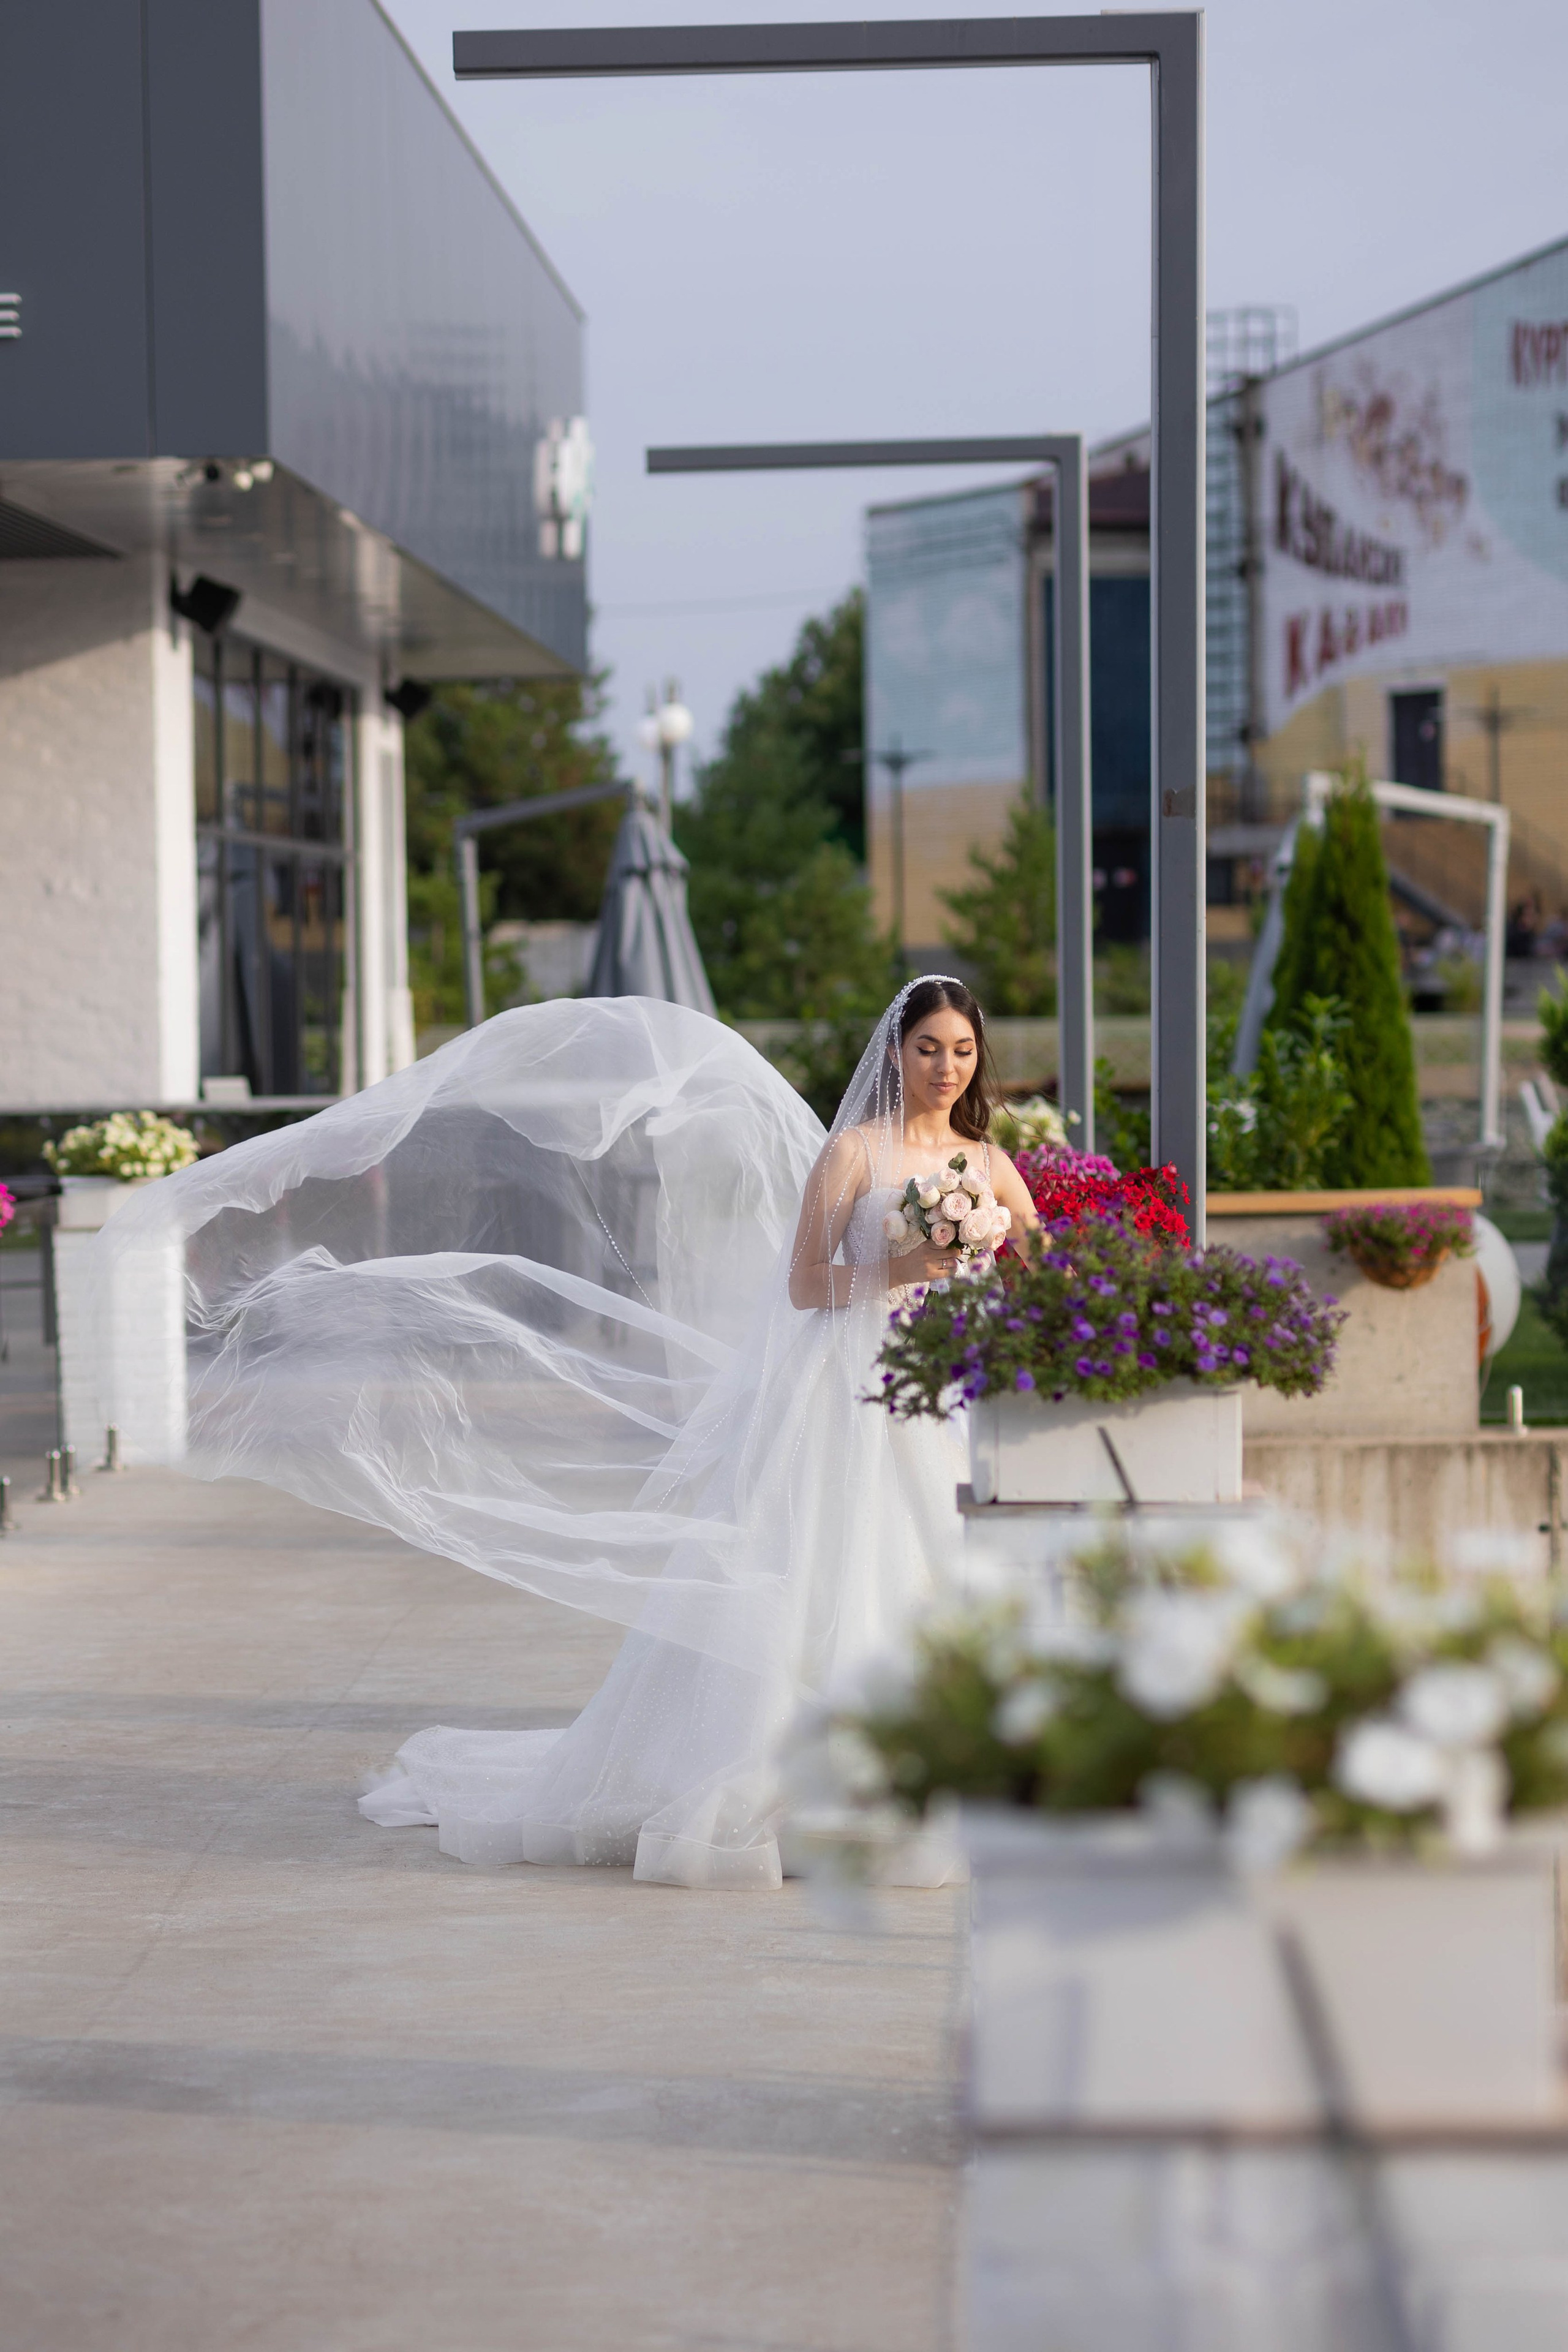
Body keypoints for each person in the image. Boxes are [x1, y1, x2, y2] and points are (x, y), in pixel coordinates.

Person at [89, 976, 1037, 1888]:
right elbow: (803, 1286)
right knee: (822, 1569)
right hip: (846, 1393)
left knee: (936, 1566)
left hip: (943, 1389)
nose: (945, 1067)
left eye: (961, 1051)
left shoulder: (989, 1165)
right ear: (898, 1053)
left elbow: (1036, 1268)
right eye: (928, 1049)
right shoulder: (855, 1156)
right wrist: (909, 1261)